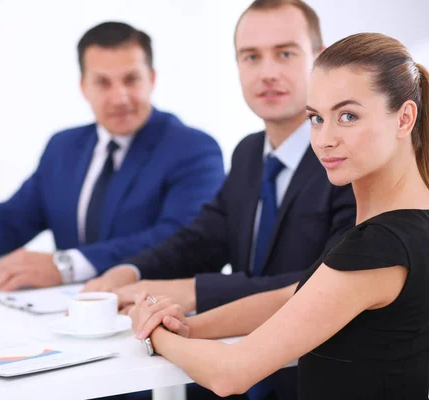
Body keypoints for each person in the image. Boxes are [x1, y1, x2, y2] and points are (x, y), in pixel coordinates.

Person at [129, 32, 429, 399]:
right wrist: (190, 328)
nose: (324, 139)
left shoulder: (381, 245)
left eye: (347, 116)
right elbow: (294, 297)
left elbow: (230, 374)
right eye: (316, 118)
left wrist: (154, 333)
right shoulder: (404, 227)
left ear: (404, 118)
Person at [85, 2, 355, 398]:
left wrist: (191, 292)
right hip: (239, 369)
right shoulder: (249, 153)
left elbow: (322, 284)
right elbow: (203, 240)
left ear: (319, 58)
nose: (267, 72)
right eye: (251, 57)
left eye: (285, 53)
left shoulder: (347, 161)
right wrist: (128, 272)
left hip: (315, 380)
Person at [0, 22, 225, 291]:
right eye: (102, 82)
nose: (120, 97)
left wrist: (67, 265)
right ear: (83, 87)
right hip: (68, 316)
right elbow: (14, 218)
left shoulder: (194, 149)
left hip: (154, 313)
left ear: (152, 78)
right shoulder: (63, 147)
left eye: (131, 79)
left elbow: (179, 240)